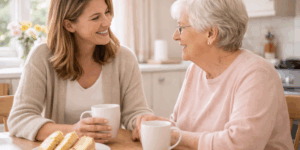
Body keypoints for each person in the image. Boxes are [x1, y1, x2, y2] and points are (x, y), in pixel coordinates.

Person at [132, 0, 294, 149]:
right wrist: (160, 126)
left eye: (181, 27)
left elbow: (239, 145)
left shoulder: (257, 74)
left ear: (211, 33)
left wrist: (174, 136)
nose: (175, 36)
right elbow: (180, 126)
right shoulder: (195, 70)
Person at [7, 0, 152, 143]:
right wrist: (72, 131)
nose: (107, 22)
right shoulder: (42, 57)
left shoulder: (124, 58)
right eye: (96, 17)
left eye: (107, 12)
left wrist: (143, 120)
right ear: (69, 25)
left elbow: (135, 113)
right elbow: (20, 119)